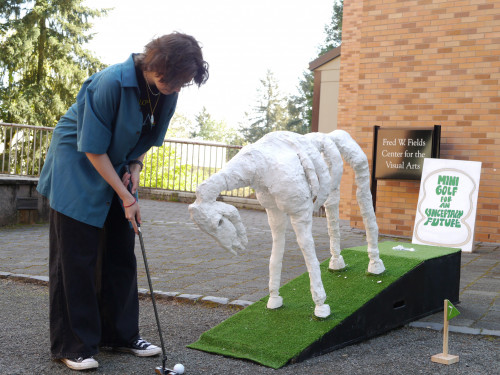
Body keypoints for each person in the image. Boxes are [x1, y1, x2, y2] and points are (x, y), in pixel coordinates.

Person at [37, 32, 209, 371]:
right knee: (76, 260)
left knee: (120, 250)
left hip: (114, 165)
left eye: (184, 83)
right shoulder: (110, 83)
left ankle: (119, 335)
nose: (177, 87)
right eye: (175, 79)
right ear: (157, 63)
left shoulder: (166, 92)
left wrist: (135, 169)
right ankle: (73, 345)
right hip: (77, 164)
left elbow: (146, 138)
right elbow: (92, 148)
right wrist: (125, 195)